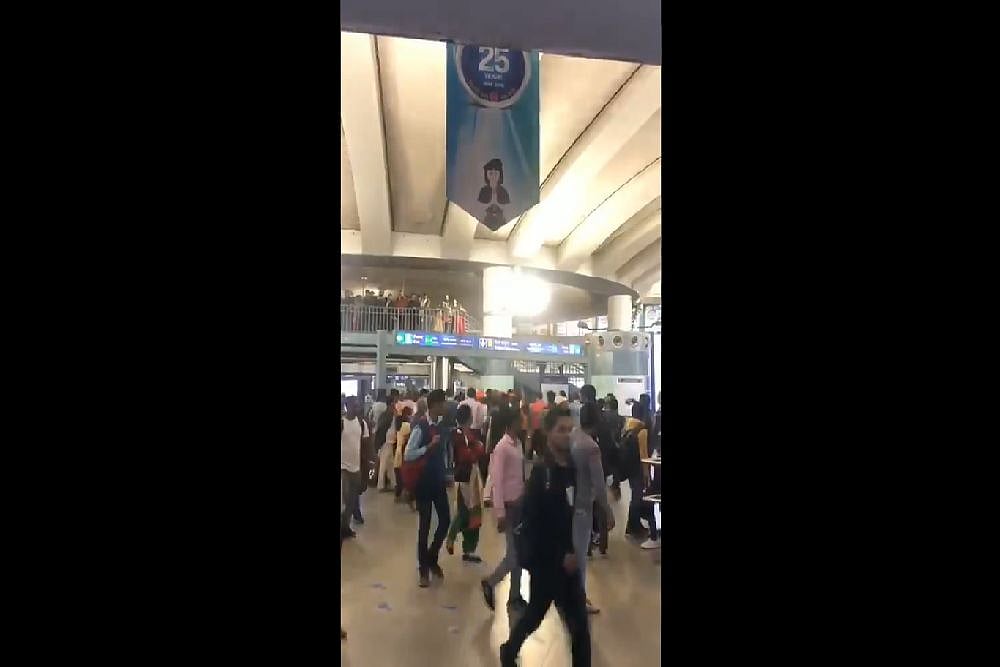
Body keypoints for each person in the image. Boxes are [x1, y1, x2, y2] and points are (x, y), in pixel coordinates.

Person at [500, 405, 590, 667]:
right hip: (548, 562)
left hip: (569, 560)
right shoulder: (542, 473)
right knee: (535, 615)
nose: (566, 435)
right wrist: (560, 554)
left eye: (570, 429)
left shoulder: (571, 467)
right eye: (561, 430)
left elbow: (573, 509)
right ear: (548, 433)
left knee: (580, 629)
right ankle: (509, 649)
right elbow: (535, 523)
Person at [481, 407, 528, 612]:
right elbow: (497, 482)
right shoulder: (502, 448)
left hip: (519, 503)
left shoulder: (517, 444)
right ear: (511, 424)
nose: (523, 423)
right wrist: (499, 512)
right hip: (508, 506)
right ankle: (491, 582)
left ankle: (515, 595)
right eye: (520, 421)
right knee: (514, 555)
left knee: (517, 551)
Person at [572, 403, 615, 613]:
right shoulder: (591, 447)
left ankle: (571, 596)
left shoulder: (572, 436)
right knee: (580, 555)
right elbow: (599, 484)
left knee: (572, 551)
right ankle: (578, 599)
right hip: (583, 505)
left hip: (568, 502)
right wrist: (607, 510)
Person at [404, 389, 450, 587]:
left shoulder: (442, 427)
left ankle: (431, 557)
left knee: (445, 520)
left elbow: (445, 453)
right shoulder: (420, 427)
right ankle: (423, 569)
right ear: (434, 405)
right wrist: (428, 447)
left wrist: (447, 473)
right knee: (425, 525)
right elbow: (408, 454)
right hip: (423, 483)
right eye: (442, 404)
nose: (445, 407)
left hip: (438, 481)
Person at [446, 404, 486, 562]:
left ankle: (468, 548)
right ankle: (452, 537)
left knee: (472, 512)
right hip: (466, 478)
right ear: (469, 417)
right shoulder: (459, 434)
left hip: (470, 477)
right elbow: (466, 456)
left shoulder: (465, 434)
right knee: (467, 512)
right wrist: (477, 449)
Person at [621, 404, 659, 548]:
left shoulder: (629, 426)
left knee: (635, 496)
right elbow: (643, 454)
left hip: (630, 468)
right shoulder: (642, 430)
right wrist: (646, 473)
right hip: (638, 469)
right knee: (638, 497)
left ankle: (633, 526)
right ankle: (633, 527)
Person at [340, 397, 370, 540]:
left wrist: (372, 460)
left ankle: (345, 527)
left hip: (356, 468)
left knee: (352, 501)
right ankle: (343, 528)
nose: (357, 408)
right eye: (354, 406)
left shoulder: (362, 423)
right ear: (347, 406)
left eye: (358, 406)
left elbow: (366, 444)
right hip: (343, 468)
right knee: (346, 501)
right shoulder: (342, 422)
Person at [375, 395, 398, 492]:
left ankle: (394, 484)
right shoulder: (388, 415)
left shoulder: (387, 414)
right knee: (384, 463)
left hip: (388, 441)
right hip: (386, 442)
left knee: (390, 464)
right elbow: (382, 429)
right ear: (391, 403)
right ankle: (381, 485)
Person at [393, 407, 413, 502]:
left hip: (398, 453)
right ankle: (406, 497)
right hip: (404, 454)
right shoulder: (406, 425)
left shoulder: (398, 425)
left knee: (399, 477)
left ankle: (398, 496)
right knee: (405, 477)